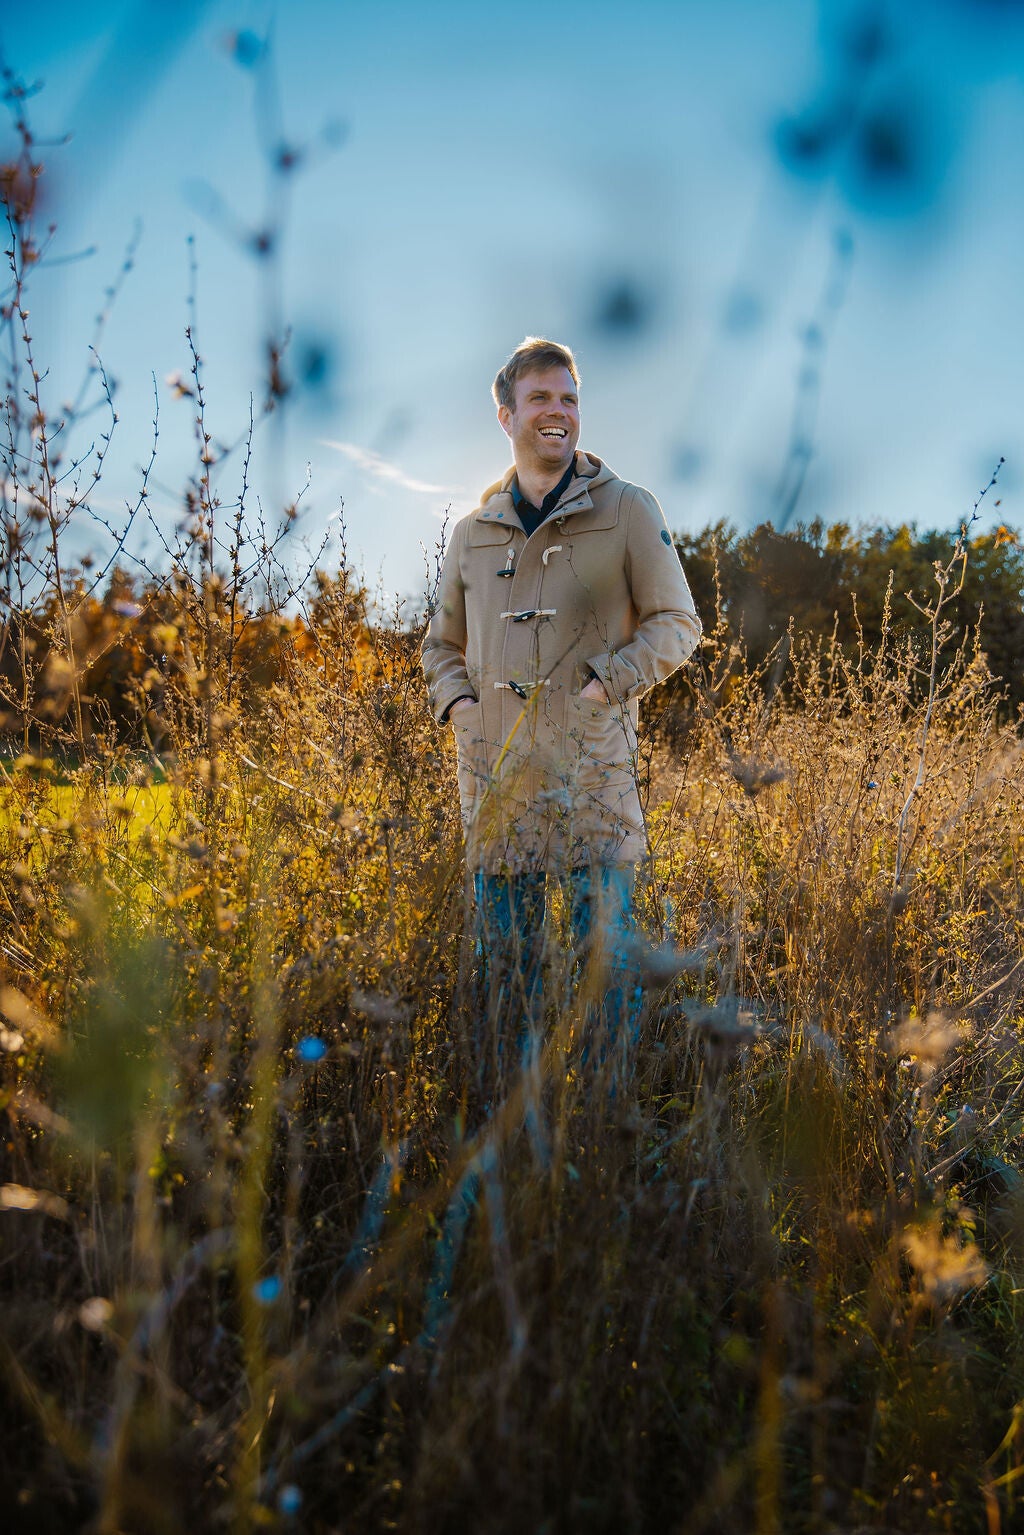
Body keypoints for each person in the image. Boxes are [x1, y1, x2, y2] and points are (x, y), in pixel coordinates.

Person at [421, 336, 701, 1076]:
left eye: (570, 398)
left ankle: (606, 1130)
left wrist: (608, 681)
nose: (558, 412)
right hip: (496, 787)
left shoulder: (630, 509)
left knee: (605, 974)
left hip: (595, 784)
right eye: (541, 398)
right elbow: (437, 648)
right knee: (506, 977)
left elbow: (680, 624)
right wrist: (464, 712)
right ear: (507, 414)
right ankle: (512, 1138)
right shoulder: (472, 536)